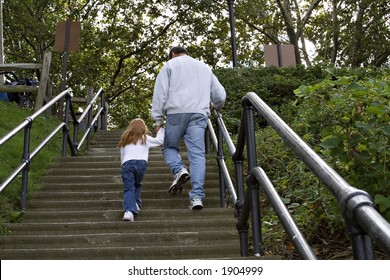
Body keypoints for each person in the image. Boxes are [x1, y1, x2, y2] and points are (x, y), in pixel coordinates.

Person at [151, 46, 226, 210]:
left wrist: (158, 120)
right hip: (199, 114)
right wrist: (215, 106)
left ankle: (179, 169)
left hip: (176, 113)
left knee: (169, 147)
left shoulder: (169, 66)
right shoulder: (204, 67)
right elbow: (220, 95)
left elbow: (160, 94)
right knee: (197, 155)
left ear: (172, 55)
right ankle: (197, 197)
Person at [117, 118, 165, 221]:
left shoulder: (125, 139)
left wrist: (123, 166)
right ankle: (136, 204)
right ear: (143, 128)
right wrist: (160, 130)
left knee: (129, 187)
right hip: (141, 164)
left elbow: (122, 155)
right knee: (137, 184)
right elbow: (160, 141)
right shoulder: (144, 138)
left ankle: (129, 211)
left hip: (127, 163)